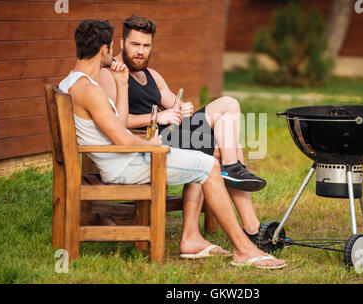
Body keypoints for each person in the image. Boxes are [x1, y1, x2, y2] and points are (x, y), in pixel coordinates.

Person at [60, 19, 285, 270]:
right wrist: (155, 142)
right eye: (116, 47)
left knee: (209, 153)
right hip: (125, 162)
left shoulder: (72, 83)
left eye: (147, 44)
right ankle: (243, 248)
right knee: (209, 162)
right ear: (105, 49)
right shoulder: (90, 89)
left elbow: (117, 124)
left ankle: (219, 233)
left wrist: (123, 85)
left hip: (124, 157)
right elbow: (122, 137)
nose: (138, 50)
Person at [98, 15, 268, 253]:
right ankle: (250, 225)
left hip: (175, 135)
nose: (141, 52)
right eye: (135, 44)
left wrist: (183, 108)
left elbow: (175, 104)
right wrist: (158, 117)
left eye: (146, 46)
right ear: (122, 41)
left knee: (228, 113)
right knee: (222, 134)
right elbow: (115, 123)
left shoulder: (153, 76)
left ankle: (242, 216)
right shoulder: (109, 74)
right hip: (151, 142)